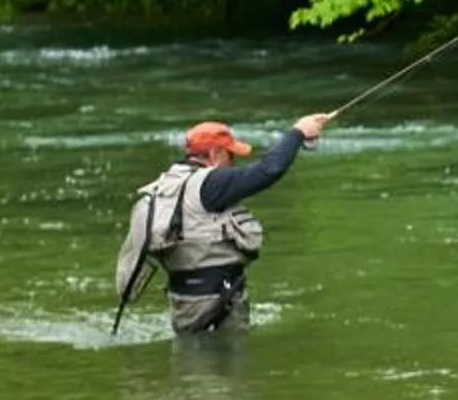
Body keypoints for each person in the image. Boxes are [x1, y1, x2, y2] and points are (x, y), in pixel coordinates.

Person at [114, 114, 332, 335]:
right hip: (217, 304)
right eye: (230, 155)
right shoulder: (210, 184)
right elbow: (269, 170)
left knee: (195, 365)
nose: (233, 163)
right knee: (222, 365)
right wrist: (297, 133)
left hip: (185, 302)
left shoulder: (164, 187)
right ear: (214, 154)